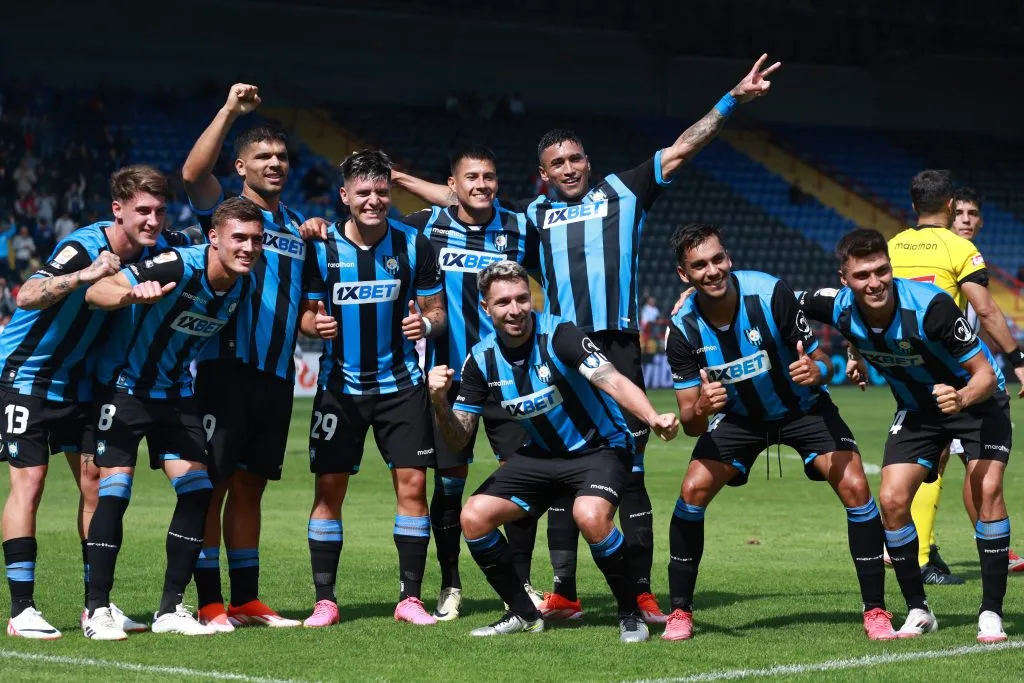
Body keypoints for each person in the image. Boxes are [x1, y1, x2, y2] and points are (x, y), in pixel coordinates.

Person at [395, 53, 782, 624]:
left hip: (616, 348)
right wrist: (399, 181)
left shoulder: (623, 192)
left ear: (587, 161)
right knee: (560, 461)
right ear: (543, 174)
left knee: (628, 473)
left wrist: (732, 98)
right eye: (559, 162)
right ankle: (565, 593)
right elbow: (465, 202)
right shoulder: (530, 218)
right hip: (560, 350)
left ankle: (642, 592)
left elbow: (682, 147)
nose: (571, 167)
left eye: (576, 158)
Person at [663, 223, 892, 641]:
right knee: (692, 490)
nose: (712, 271)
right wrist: (700, 407)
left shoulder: (770, 293)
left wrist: (817, 370)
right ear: (684, 275)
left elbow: (821, 359)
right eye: (699, 265)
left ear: (728, 258)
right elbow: (689, 423)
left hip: (802, 409)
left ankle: (875, 610)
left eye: (717, 259)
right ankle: (680, 612)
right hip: (738, 418)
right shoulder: (682, 329)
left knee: (856, 485)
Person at [429, 261, 678, 641]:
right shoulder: (481, 359)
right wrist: (439, 402)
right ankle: (523, 613)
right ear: (486, 308)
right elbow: (460, 437)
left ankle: (630, 614)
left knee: (590, 515)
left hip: (601, 447)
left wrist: (651, 416)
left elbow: (610, 379)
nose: (515, 310)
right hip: (544, 454)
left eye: (522, 299)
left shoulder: (560, 334)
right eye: (503, 303)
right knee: (474, 516)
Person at [0, 165, 193, 640]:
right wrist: (86, 274)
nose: (152, 220)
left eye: (160, 211)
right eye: (142, 211)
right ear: (118, 210)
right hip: (26, 375)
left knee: (94, 484)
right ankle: (22, 608)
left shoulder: (159, 251)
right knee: (31, 481)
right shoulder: (84, 247)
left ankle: (97, 607)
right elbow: (26, 295)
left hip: (82, 384)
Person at [801, 228, 1012, 644]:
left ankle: (991, 612)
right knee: (892, 499)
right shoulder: (837, 306)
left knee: (986, 488)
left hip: (978, 403)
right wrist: (694, 300)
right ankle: (919, 608)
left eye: (882, 270)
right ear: (844, 280)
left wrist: (962, 396)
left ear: (890, 268)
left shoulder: (931, 308)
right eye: (862, 275)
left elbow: (985, 375)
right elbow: (778, 298)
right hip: (918, 411)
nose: (875, 282)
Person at [81, 197, 262, 640]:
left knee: (197, 490)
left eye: (256, 240)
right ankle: (96, 611)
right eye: (239, 238)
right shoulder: (177, 266)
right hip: (124, 388)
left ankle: (170, 610)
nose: (248, 247)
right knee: (116, 491)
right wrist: (129, 293)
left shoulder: (243, 285)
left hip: (176, 395)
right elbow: (94, 292)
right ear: (214, 237)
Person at [299, 150, 447, 628]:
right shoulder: (320, 249)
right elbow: (305, 314)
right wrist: (312, 325)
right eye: (362, 192)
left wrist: (424, 322)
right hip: (339, 387)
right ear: (345, 196)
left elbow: (438, 311)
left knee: (414, 486)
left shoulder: (413, 244)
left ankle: (410, 598)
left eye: (381, 191)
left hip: (401, 387)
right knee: (329, 490)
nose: (373, 200)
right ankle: (325, 599)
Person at [182, 83, 307, 630]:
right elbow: (190, 176)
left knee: (251, 485)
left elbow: (298, 302)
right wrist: (231, 109)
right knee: (213, 484)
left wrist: (311, 322)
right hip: (224, 369)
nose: (275, 163)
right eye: (263, 157)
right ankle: (209, 600)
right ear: (241, 165)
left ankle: (246, 599)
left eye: (281, 157)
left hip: (276, 375)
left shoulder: (298, 227)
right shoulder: (228, 213)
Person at [886, 172, 1024, 585]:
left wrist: (859, 353)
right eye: (959, 210)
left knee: (946, 459)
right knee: (970, 461)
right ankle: (926, 553)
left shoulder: (891, 247)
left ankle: (923, 549)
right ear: (949, 207)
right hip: (958, 374)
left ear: (914, 207)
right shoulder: (959, 249)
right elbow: (985, 311)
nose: (964, 218)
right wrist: (1017, 358)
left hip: (908, 370)